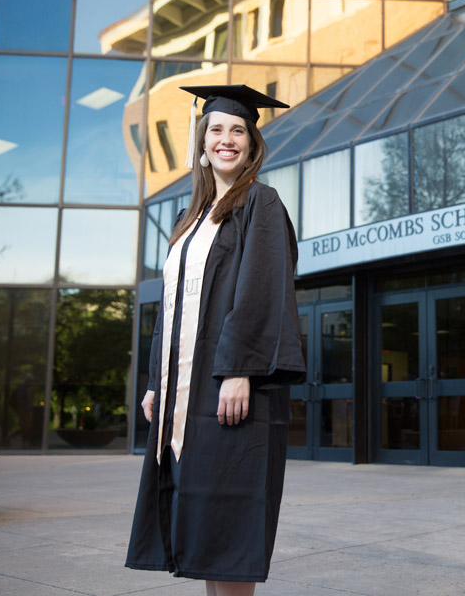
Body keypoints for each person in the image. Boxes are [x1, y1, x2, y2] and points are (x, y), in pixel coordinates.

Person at [125, 85, 305, 596]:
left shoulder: (260, 203)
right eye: (217, 130)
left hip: (227, 387)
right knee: (203, 523)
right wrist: (158, 381)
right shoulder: (192, 218)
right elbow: (172, 310)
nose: (227, 140)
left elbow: (260, 292)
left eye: (238, 131)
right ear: (202, 142)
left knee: (227, 523)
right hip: (185, 397)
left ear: (252, 143)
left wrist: (239, 370)